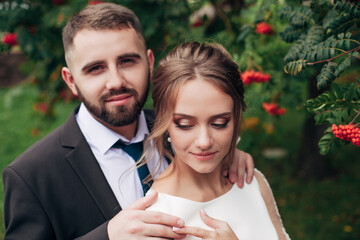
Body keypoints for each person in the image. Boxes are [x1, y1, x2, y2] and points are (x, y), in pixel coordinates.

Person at [2, 3, 255, 240]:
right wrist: (108, 235)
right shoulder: (31, 176)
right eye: (95, 68)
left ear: (149, 63)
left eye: (127, 61)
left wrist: (227, 153)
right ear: (71, 81)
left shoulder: (181, 128)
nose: (116, 81)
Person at [144, 41, 291, 240]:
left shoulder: (252, 181)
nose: (204, 142)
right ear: (164, 121)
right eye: (186, 124)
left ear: (236, 117)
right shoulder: (157, 220)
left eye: (220, 123)